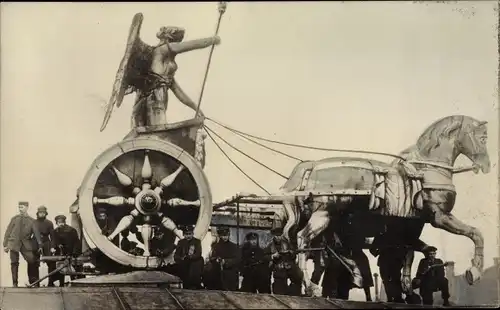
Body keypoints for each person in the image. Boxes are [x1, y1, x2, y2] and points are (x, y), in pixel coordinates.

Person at [3, 201, 42, 287]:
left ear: (27, 207)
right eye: (19, 207)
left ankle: (33, 282)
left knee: (31, 260)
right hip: (13, 244)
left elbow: (36, 234)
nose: (20, 209)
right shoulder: (14, 218)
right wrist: (5, 245)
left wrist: (40, 245)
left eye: (22, 207)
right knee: (14, 263)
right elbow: (8, 231)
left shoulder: (32, 221)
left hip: (26, 244)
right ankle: (15, 283)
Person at [266, 226, 303, 296]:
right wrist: (273, 256)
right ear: (274, 236)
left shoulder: (287, 243)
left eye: (280, 235)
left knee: (298, 275)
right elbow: (265, 257)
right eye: (277, 236)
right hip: (278, 268)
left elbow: (293, 256)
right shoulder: (270, 245)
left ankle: (294, 293)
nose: (278, 237)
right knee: (279, 290)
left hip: (288, 266)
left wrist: (291, 253)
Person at [203, 227, 240, 291]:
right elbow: (212, 257)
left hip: (230, 269)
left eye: (226, 235)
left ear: (229, 235)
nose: (225, 237)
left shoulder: (234, 246)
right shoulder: (216, 246)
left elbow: (237, 259)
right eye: (223, 235)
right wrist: (216, 260)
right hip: (218, 269)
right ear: (220, 236)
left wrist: (225, 261)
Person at [53, 215, 81, 286]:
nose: (60, 224)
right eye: (59, 222)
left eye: (62, 222)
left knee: (72, 269)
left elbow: (76, 242)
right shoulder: (55, 231)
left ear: (64, 222)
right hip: (60, 253)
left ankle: (75, 283)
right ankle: (61, 284)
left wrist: (75, 252)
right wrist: (57, 245)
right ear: (56, 223)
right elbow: (54, 241)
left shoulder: (71, 230)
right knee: (60, 269)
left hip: (71, 253)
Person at [33, 206, 57, 287]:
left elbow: (52, 237)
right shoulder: (34, 222)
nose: (41, 214)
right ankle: (36, 283)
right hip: (36, 243)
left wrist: (52, 247)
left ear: (45, 213)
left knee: (51, 262)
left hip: (46, 243)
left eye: (43, 212)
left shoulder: (49, 223)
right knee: (34, 263)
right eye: (40, 212)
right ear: (38, 213)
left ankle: (51, 282)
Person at [173, 225, 203, 289]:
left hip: (194, 262)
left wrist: (190, 257)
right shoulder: (181, 242)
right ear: (183, 234)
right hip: (183, 263)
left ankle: (195, 284)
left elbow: (198, 254)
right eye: (186, 234)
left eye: (190, 234)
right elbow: (176, 255)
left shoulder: (197, 242)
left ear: (192, 234)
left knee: (196, 265)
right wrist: (180, 258)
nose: (188, 236)